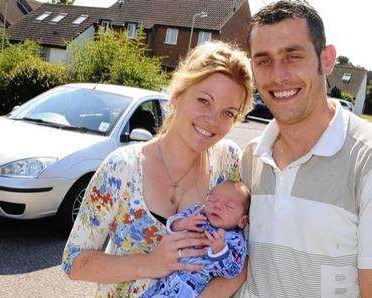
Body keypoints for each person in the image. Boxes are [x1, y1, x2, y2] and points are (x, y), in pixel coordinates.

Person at [61, 40, 253, 297]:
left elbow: (241, 262)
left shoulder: (229, 163)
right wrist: (151, 263)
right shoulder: (122, 169)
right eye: (204, 100)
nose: (213, 120)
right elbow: (75, 262)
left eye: (228, 113)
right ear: (177, 95)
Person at [231, 1, 371, 297]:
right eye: (263, 60)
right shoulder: (251, 158)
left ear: (327, 59)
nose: (279, 75)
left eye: (292, 56)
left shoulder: (365, 159)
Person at [142, 181, 250, 298]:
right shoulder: (198, 213)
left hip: (192, 289)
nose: (217, 206)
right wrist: (183, 223)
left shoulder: (236, 240)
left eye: (229, 206)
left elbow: (233, 272)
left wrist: (220, 251)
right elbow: (172, 225)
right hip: (167, 279)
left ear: (242, 221)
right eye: (212, 200)